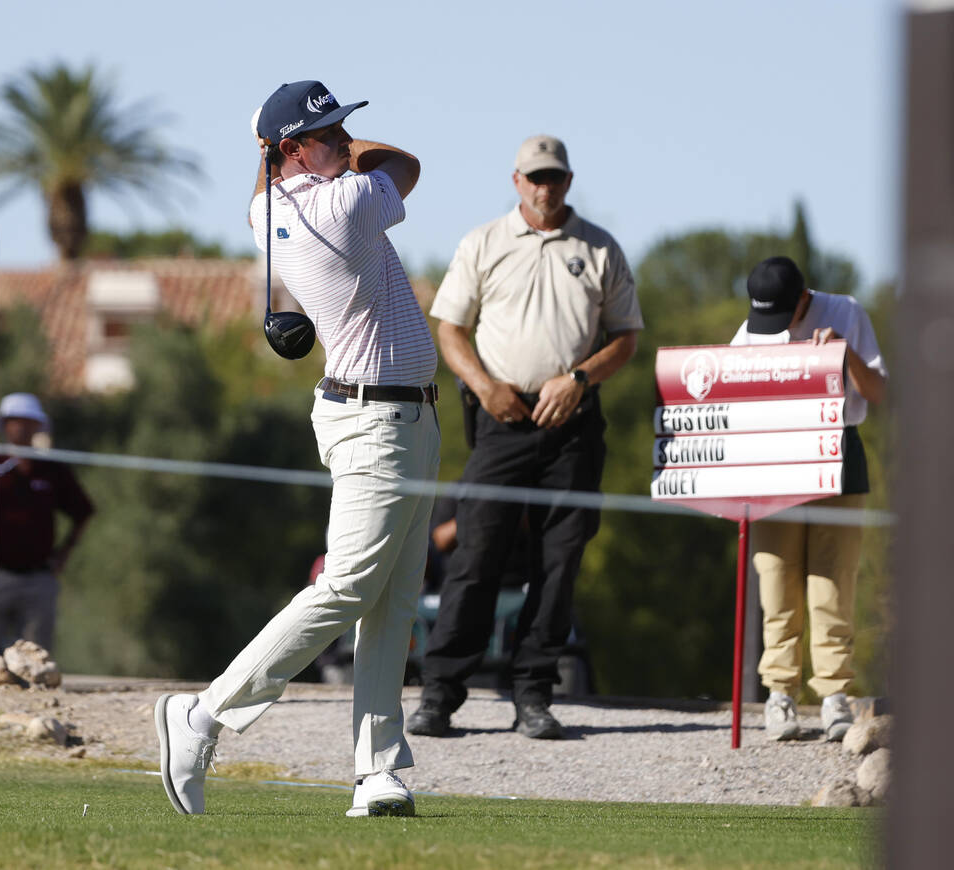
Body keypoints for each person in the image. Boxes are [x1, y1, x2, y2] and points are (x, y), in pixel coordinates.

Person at [153, 80, 439, 818]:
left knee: (393, 601)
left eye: (346, 132)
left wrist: (290, 149)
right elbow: (406, 164)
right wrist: (333, 156)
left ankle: (376, 771)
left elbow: (278, 185)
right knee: (347, 586)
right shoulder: (345, 203)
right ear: (290, 151)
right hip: (380, 421)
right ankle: (205, 713)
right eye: (330, 135)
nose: (345, 145)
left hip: (397, 418)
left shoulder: (264, 212)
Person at [407, 135, 643, 740]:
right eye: (535, 177)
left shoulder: (599, 248)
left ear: (568, 180)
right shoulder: (483, 242)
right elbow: (451, 330)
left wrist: (581, 379)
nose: (546, 188)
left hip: (572, 421)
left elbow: (625, 338)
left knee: (559, 562)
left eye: (555, 178)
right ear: (516, 180)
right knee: (476, 554)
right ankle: (439, 694)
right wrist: (485, 387)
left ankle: (534, 693)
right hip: (501, 416)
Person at [730, 256, 887, 742]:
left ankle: (834, 697)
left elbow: (879, 393)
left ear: (805, 298)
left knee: (832, 578)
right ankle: (780, 694)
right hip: (773, 458)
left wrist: (845, 356)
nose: (774, 327)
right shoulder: (754, 327)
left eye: (784, 315)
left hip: (838, 450)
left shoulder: (847, 312)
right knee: (775, 576)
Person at [0, 392, 94, 654]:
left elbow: (83, 511)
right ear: (4, 424)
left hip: (39, 577)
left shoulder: (51, 469)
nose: (21, 427)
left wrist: (63, 554)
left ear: (38, 426)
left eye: (27, 421)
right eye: (14, 421)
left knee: (37, 655)